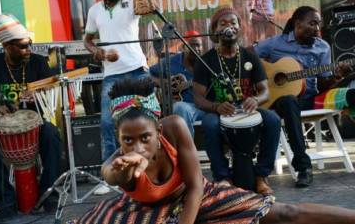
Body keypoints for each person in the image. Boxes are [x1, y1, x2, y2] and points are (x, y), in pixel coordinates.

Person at [75, 77, 355, 224]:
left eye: (145, 137)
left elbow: (196, 186)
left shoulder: (173, 127)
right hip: (143, 210)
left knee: (286, 214)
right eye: (127, 140)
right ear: (118, 138)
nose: (136, 146)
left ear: (158, 131)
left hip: (197, 195)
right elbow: (111, 175)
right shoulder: (117, 163)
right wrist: (121, 173)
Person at [254, 6, 355, 188]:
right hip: (280, 102)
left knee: (352, 94)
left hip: (310, 98)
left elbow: (323, 84)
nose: (317, 28)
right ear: (296, 23)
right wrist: (260, 79)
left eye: (318, 24)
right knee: (289, 101)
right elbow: (247, 57)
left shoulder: (322, 47)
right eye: (312, 23)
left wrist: (337, 75)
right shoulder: (275, 43)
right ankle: (304, 167)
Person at [0, 14, 61, 221]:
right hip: (5, 127)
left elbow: (53, 87)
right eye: (23, 46)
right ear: (7, 46)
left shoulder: (38, 62)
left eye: (29, 44)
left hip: (36, 124)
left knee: (52, 134)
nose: (28, 49)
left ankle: (48, 194)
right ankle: (6, 202)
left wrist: (39, 92)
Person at [193, 7, 280, 195]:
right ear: (215, 30)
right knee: (209, 124)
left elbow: (265, 91)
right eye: (223, 23)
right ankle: (223, 177)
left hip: (248, 108)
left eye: (233, 23)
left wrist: (256, 100)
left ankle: (261, 176)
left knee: (272, 120)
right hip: (219, 110)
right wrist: (216, 106)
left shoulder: (249, 55)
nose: (229, 26)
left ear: (239, 28)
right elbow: (198, 97)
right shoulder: (206, 60)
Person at [83, 0, 151, 166]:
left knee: (148, 119)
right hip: (112, 74)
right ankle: (111, 172)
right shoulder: (94, 11)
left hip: (137, 69)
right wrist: (96, 51)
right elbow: (87, 40)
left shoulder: (132, 2)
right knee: (107, 123)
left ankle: (151, 167)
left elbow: (150, 7)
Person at [150, 30, 205, 136]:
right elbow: (146, 74)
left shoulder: (206, 63)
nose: (196, 49)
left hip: (203, 107)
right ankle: (187, 150)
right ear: (184, 47)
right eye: (192, 45)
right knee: (180, 107)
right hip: (183, 107)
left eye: (199, 45)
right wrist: (163, 83)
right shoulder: (171, 62)